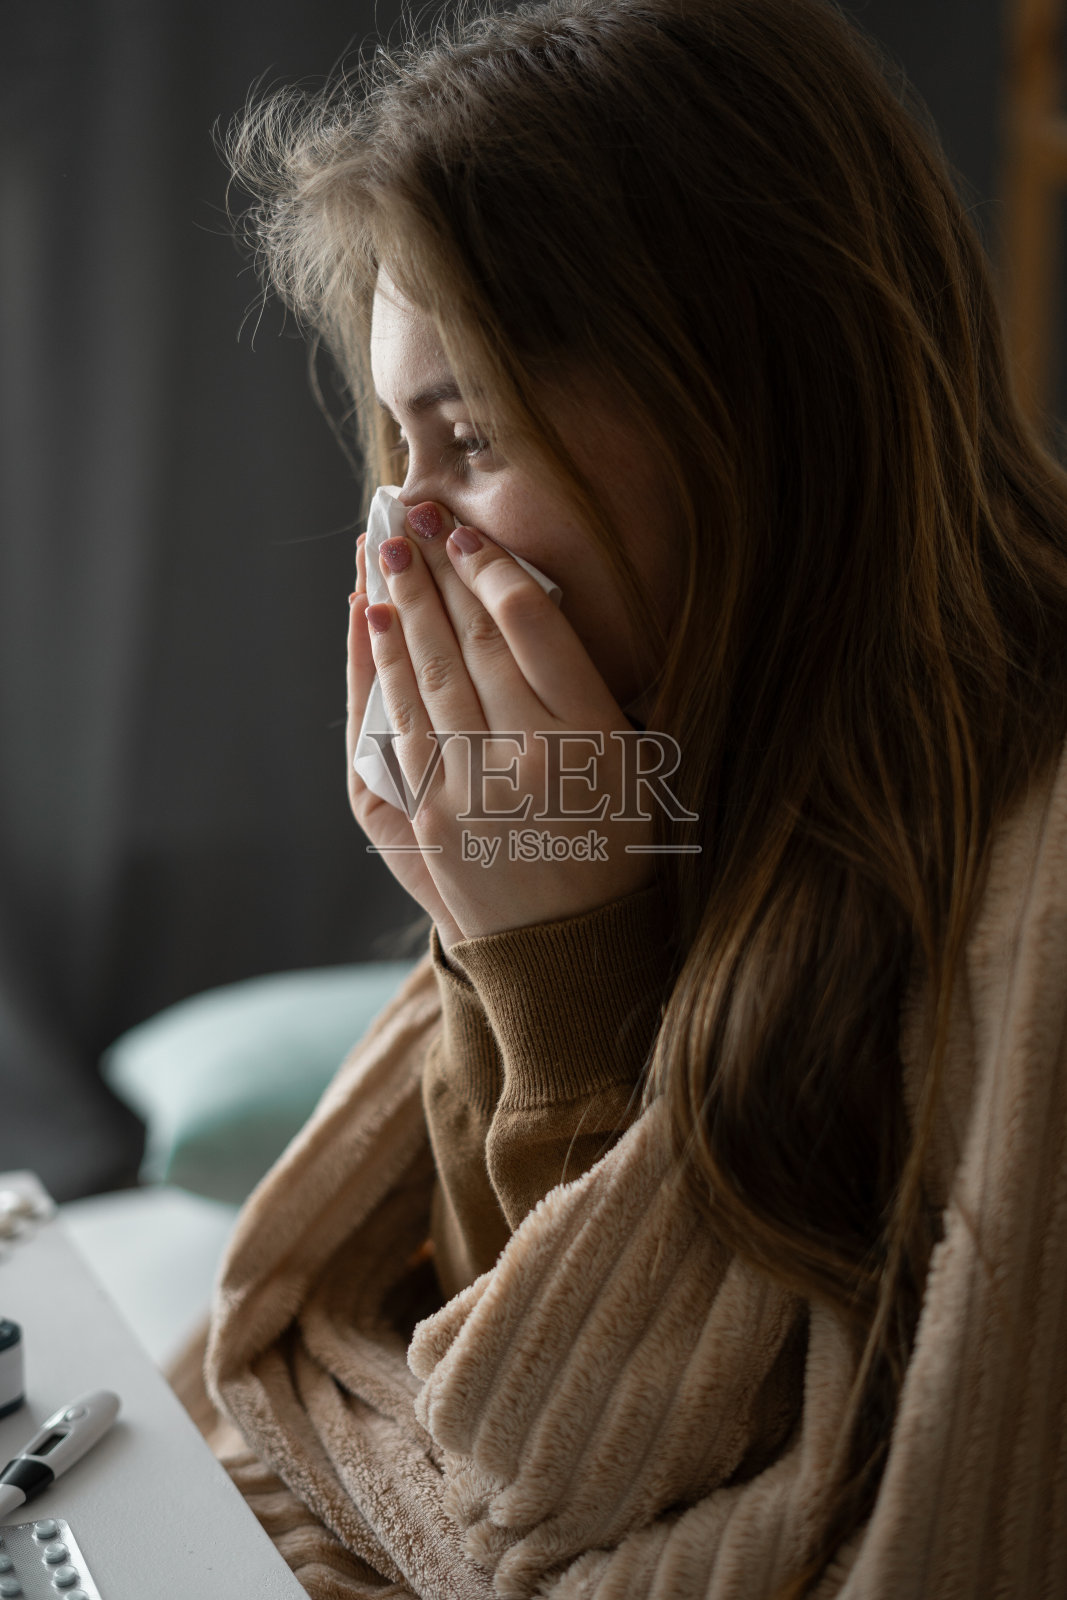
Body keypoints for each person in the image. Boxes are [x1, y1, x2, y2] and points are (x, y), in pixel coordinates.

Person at [180, 0, 1067, 1594]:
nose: (403, 534)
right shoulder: (674, 767)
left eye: (472, 431)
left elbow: (579, 1500)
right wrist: (498, 941)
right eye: (399, 437)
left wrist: (567, 971)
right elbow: (478, 1340)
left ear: (748, 409)